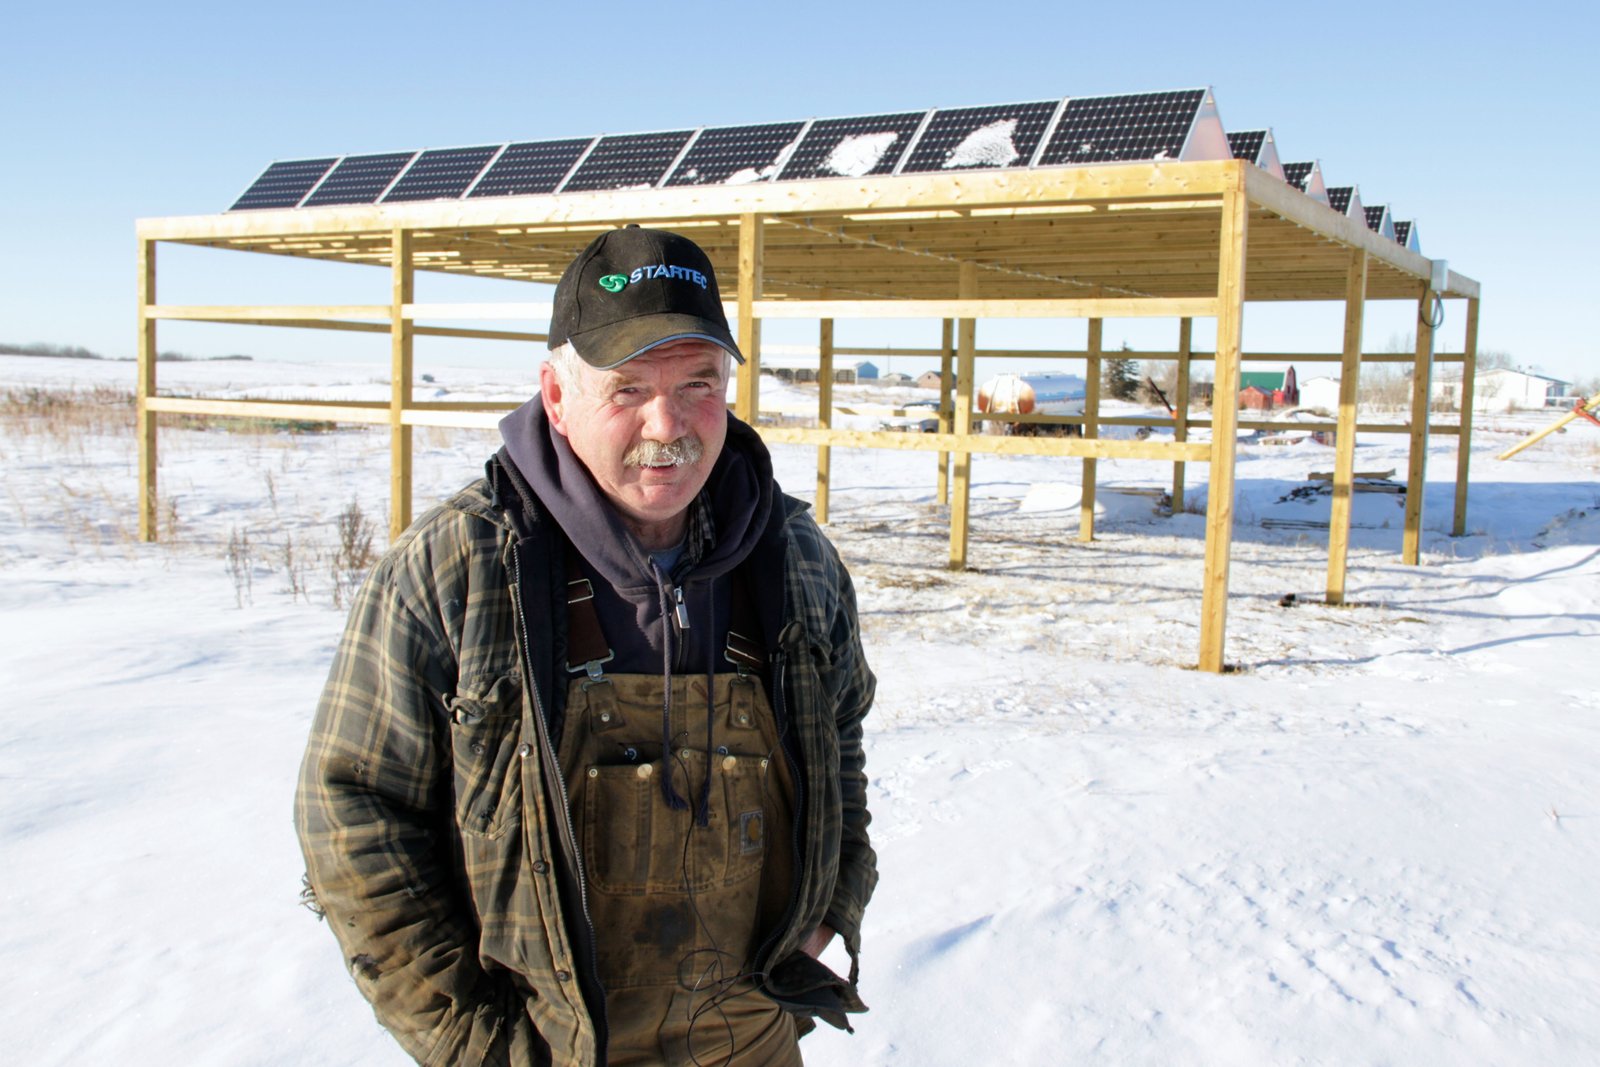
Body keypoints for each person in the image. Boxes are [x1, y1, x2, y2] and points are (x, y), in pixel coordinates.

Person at [295, 225, 877, 1066]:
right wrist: (472, 1039)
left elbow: (844, 735)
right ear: (556, 397)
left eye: (699, 382)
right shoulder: (460, 567)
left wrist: (834, 902)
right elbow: (350, 806)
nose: (667, 423)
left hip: (751, 1032)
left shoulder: (793, 560)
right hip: (548, 1046)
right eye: (628, 386)